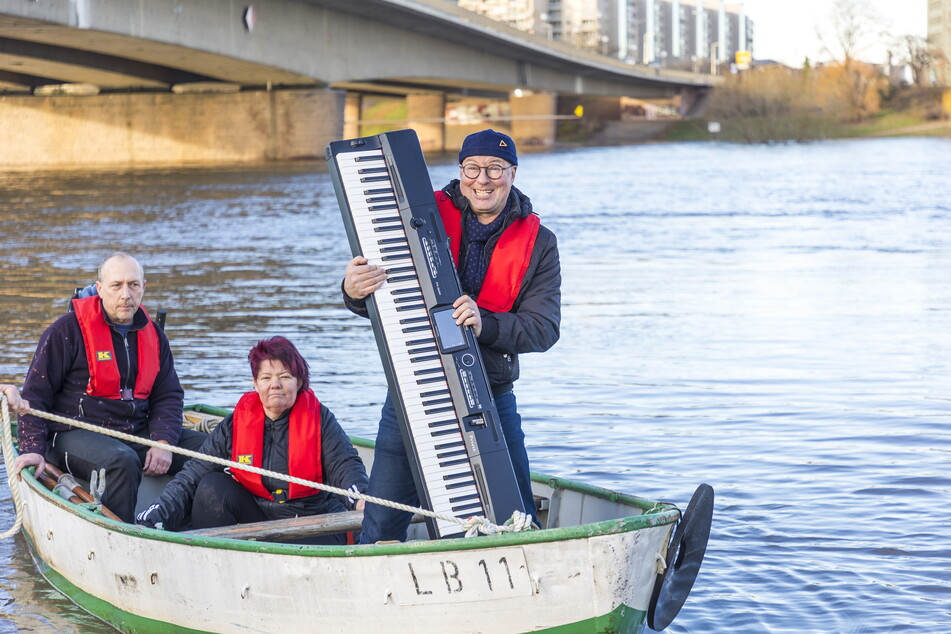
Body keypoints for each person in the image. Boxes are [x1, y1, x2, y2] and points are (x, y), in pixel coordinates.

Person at [343, 129, 561, 543]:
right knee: (383, 521)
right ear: (461, 171)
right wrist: (353, 292)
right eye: (473, 168)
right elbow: (378, 292)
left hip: (491, 395)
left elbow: (544, 328)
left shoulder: (540, 243)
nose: (483, 179)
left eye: (495, 169)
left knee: (518, 519)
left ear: (512, 173)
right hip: (412, 389)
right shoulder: (417, 216)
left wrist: (486, 323)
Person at [11, 252, 207, 523]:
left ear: (143, 288)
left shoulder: (154, 335)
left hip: (137, 430)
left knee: (213, 449)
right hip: (74, 432)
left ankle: (190, 526)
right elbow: (35, 396)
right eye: (117, 285)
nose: (126, 294)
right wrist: (32, 447)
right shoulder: (65, 332)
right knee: (121, 461)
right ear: (100, 288)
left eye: (133, 285)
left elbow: (169, 395)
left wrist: (163, 442)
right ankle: (123, 535)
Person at [135, 337, 368, 545]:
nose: (275, 384)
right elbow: (193, 475)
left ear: (299, 382)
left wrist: (361, 503)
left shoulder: (320, 420)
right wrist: (158, 513)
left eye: (284, 377)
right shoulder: (235, 424)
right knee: (210, 486)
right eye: (266, 377)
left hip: (312, 521)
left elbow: (346, 468)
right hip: (258, 518)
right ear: (256, 384)